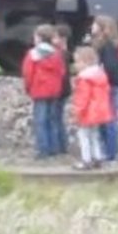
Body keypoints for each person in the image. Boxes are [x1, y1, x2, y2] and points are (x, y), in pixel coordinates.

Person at [21, 23, 66, 159]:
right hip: (54, 91)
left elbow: (27, 73)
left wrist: (28, 87)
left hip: (39, 91)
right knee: (52, 119)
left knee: (40, 121)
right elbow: (62, 72)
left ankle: (43, 150)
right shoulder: (57, 54)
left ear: (39, 38)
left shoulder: (33, 54)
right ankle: (54, 147)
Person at [72, 45, 113, 170]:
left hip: (87, 112)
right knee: (94, 135)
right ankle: (98, 157)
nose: (75, 65)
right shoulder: (100, 75)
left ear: (85, 62)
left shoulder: (84, 79)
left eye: (77, 61)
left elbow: (82, 99)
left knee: (83, 135)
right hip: (98, 111)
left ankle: (86, 160)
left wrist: (77, 113)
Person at [90, 15, 118, 162]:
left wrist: (99, 76)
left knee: (108, 118)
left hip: (106, 85)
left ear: (102, 28)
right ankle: (109, 150)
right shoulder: (109, 44)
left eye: (95, 24)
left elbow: (109, 66)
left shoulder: (106, 46)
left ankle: (110, 152)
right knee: (107, 118)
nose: (92, 27)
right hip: (109, 84)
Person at [52, 23, 73, 155]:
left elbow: (60, 74)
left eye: (55, 37)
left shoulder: (60, 54)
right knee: (58, 118)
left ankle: (59, 146)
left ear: (61, 39)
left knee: (56, 118)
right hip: (64, 90)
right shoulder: (65, 53)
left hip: (59, 90)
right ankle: (62, 145)